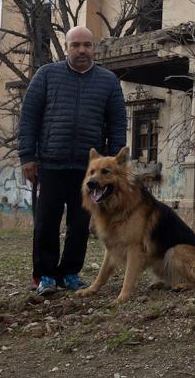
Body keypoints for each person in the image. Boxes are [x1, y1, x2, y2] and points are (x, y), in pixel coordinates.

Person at [19, 25, 127, 296]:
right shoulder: (46, 75)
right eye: (75, 45)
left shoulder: (108, 81)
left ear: (94, 48)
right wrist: (28, 157)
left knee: (80, 224)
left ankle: (69, 272)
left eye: (87, 45)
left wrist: (114, 165)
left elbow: (117, 125)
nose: (82, 50)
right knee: (46, 222)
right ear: (66, 47)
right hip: (51, 163)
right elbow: (29, 118)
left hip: (88, 172)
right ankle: (44, 275)